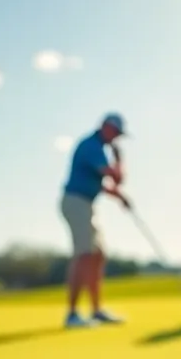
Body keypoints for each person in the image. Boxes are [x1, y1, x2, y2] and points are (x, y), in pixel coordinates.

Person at [59, 113, 131, 328]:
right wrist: (119, 159)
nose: (116, 138)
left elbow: (99, 184)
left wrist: (119, 197)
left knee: (98, 255)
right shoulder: (92, 146)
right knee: (84, 255)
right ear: (105, 127)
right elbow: (116, 177)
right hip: (76, 202)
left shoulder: (97, 148)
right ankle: (72, 314)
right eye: (116, 133)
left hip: (85, 203)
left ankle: (96, 310)